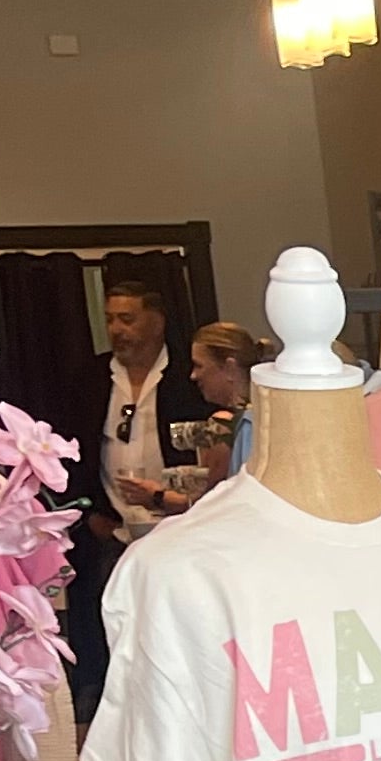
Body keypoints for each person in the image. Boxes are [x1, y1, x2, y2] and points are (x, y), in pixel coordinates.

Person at [60, 267, 206, 711]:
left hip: (178, 521)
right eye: (111, 319)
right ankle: (109, 699)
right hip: (113, 527)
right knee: (108, 616)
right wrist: (91, 513)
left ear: (156, 322)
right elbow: (73, 450)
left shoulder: (187, 375)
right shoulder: (91, 376)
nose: (118, 329)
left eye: (128, 318)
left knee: (175, 619)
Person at [186, 321, 264, 492]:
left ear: (229, 368)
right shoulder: (262, 413)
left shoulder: (243, 425)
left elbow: (240, 495)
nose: (193, 375)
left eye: (199, 366)